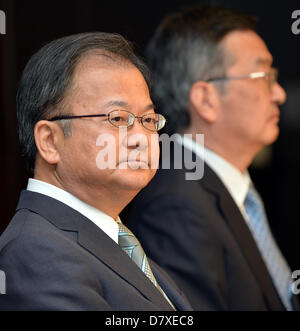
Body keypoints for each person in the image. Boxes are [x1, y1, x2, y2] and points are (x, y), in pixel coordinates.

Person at [122, 5, 298, 310]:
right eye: (263, 76)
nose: (279, 93)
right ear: (206, 99)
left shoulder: (227, 187)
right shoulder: (176, 205)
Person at [0, 32, 192, 311]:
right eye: (117, 118)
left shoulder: (113, 237)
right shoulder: (37, 253)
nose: (140, 137)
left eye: (148, 119)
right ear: (50, 141)